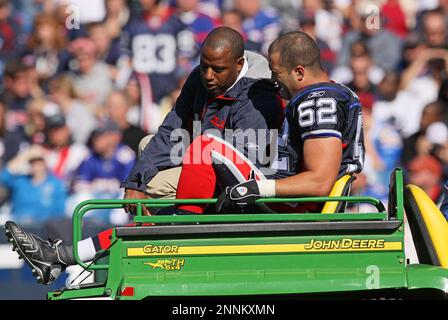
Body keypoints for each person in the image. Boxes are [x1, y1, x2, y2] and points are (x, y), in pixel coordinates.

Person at [3, 27, 284, 285]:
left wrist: (147, 184)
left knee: (158, 185)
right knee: (148, 148)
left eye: (217, 69)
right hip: (203, 157)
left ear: (238, 64)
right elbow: (170, 128)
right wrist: (135, 181)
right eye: (204, 66)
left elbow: (246, 162)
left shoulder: (257, 95)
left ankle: (73, 253)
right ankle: (76, 252)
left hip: (234, 179)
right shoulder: (200, 79)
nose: (208, 75)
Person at [173, 31, 365, 214]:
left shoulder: (317, 99)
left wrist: (258, 187)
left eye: (276, 73)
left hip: (294, 204)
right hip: (290, 197)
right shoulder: (332, 93)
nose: (273, 81)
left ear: (299, 72)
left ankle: (183, 225)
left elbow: (319, 182)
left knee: (205, 146)